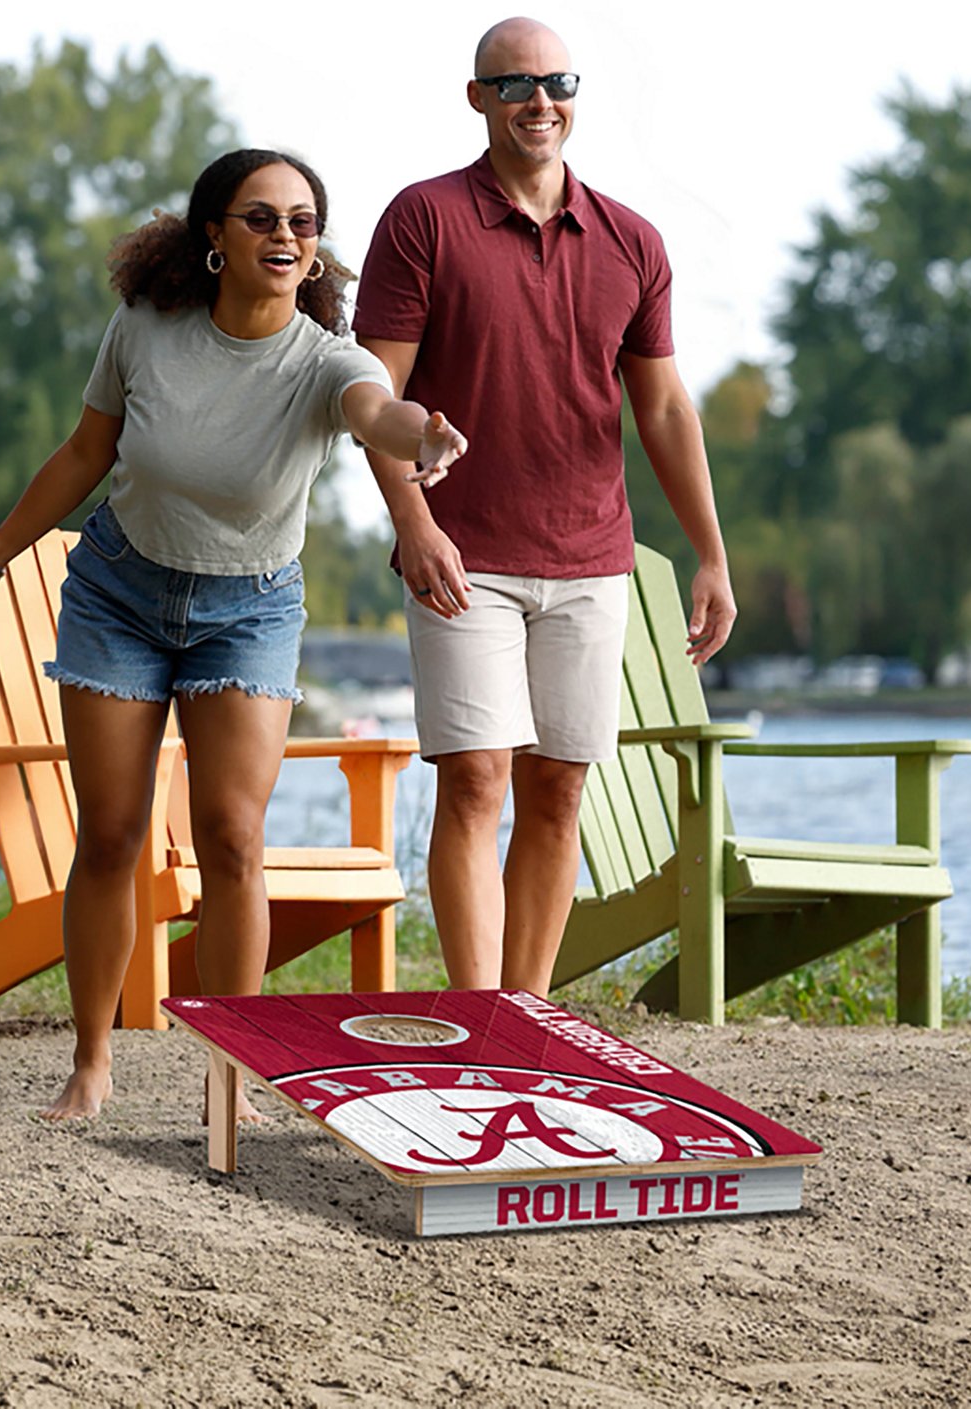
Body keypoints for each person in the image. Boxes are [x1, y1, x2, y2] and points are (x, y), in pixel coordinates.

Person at [0, 148, 468, 1121]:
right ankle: (92, 1061)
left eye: (302, 223)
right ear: (215, 238)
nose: (284, 235)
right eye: (261, 217)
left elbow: (375, 414)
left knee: (233, 837)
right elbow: (85, 453)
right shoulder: (147, 329)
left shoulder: (326, 359)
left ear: (315, 253)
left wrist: (421, 438)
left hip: (250, 610)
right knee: (111, 833)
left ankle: (232, 1072)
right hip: (119, 596)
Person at [353, 18, 736, 998]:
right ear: (477, 97)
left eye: (556, 81)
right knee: (476, 776)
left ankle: (523, 1013)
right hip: (463, 554)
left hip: (591, 557)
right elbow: (371, 399)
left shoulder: (632, 241)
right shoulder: (422, 219)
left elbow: (662, 406)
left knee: (559, 787)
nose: (539, 100)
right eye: (515, 84)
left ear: (574, 94)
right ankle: (478, 1014)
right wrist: (415, 524)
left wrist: (709, 554)